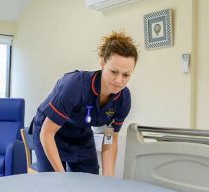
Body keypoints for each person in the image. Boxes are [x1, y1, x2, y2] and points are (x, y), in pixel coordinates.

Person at [31, 31, 138, 176]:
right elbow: (47, 133)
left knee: (91, 184)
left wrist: (109, 180)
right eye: (114, 71)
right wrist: (61, 178)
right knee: (54, 185)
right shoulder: (75, 85)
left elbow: (109, 140)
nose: (119, 80)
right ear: (102, 63)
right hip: (49, 132)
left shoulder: (123, 99)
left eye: (126, 75)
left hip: (81, 134)